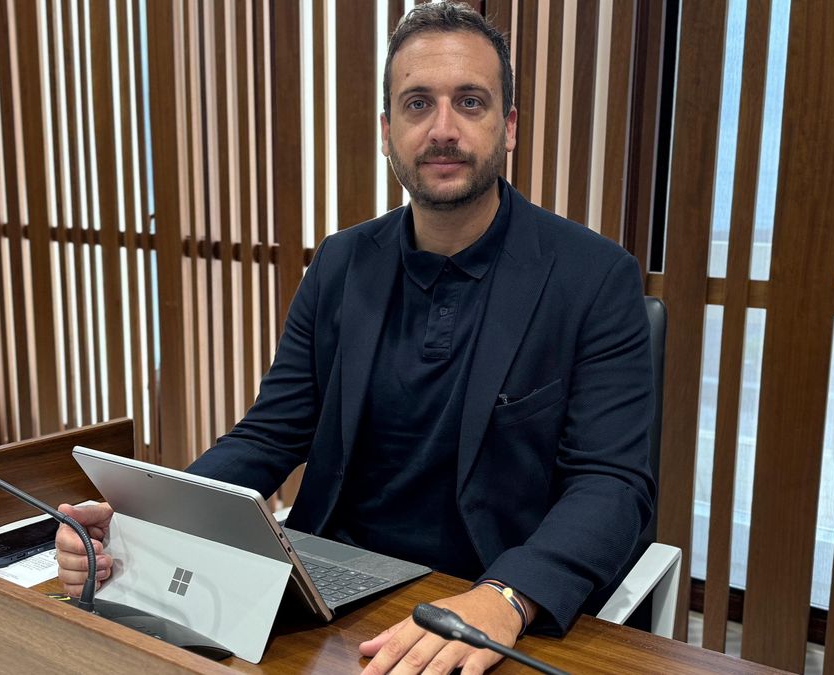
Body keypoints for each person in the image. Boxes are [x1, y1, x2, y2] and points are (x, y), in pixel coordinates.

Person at [57, 2, 654, 672]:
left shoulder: (593, 278)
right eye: (418, 104)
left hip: (485, 600)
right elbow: (269, 435)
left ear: (508, 126)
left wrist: (506, 596)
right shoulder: (341, 263)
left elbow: (612, 483)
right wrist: (147, 519)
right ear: (387, 132)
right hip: (332, 591)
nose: (443, 129)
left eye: (471, 102)